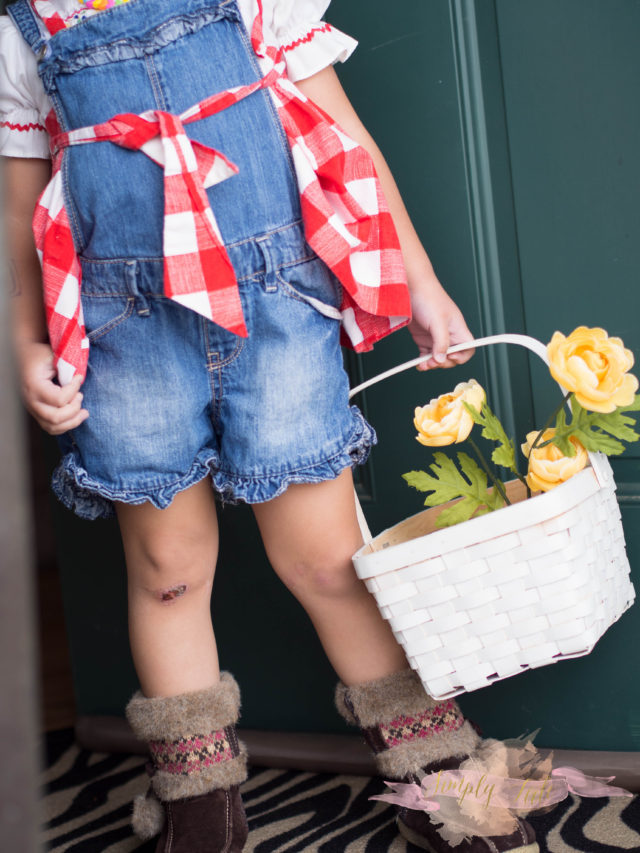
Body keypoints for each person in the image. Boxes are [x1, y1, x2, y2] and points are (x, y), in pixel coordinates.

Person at [1, 1, 538, 850]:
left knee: (326, 560)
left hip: (276, 311)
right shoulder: (25, 34)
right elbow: (17, 217)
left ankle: (431, 760)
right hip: (125, 336)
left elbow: (344, 135)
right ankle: (199, 799)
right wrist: (26, 344)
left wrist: (420, 280)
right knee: (168, 571)